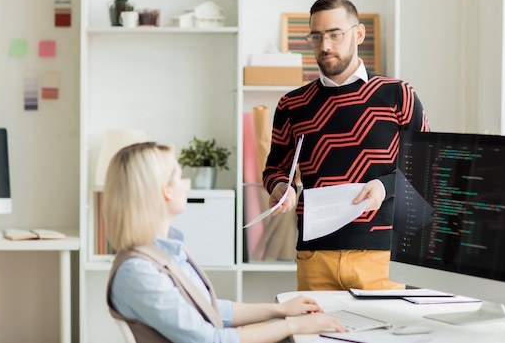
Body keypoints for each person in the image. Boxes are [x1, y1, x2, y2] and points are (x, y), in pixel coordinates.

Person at [263, 0, 429, 292]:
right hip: (315, 256)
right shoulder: (292, 104)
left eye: (335, 35)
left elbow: (426, 170)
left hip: (384, 256)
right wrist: (280, 187)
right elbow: (275, 168)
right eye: (317, 36)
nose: (325, 46)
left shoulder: (398, 95)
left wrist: (384, 186)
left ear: (359, 34)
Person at [103, 142, 345, 343]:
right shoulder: (138, 272)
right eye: (178, 176)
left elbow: (209, 308)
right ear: (165, 190)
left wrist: (279, 310)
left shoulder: (166, 250)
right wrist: (292, 326)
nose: (184, 183)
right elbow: (211, 340)